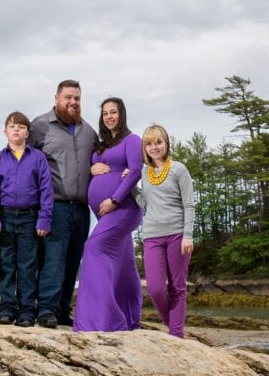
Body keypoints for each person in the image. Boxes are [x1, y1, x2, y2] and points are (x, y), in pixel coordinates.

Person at [72, 97, 144, 332]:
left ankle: (100, 320)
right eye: (105, 113)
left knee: (93, 247)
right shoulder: (102, 144)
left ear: (121, 114)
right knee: (124, 265)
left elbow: (135, 171)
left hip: (123, 209)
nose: (109, 116)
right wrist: (91, 169)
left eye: (113, 112)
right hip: (104, 214)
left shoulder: (132, 140)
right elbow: (90, 169)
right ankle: (129, 318)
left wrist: (114, 200)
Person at [29, 79, 97, 328]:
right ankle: (46, 309)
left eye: (77, 98)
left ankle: (62, 309)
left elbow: (101, 158)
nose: (73, 102)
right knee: (53, 258)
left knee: (72, 259)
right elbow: (25, 162)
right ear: (57, 98)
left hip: (81, 207)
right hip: (53, 205)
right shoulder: (39, 126)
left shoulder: (88, 131)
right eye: (68, 97)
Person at [0, 112, 54, 328]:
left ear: (27, 132)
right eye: (12, 126)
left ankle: (26, 311)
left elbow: (46, 190)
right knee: (5, 264)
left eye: (21, 127)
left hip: (30, 217)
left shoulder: (37, 158)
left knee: (27, 265)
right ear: (5, 131)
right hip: (4, 217)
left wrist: (44, 218)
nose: (17, 130)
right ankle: (5, 308)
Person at [134, 124, 195, 338]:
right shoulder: (143, 171)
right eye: (149, 144)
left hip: (178, 234)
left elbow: (189, 204)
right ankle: (173, 327)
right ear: (145, 148)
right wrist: (131, 187)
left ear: (166, 143)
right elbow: (145, 203)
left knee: (177, 288)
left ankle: (176, 336)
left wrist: (188, 235)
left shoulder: (179, 169)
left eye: (158, 142)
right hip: (152, 236)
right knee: (156, 289)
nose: (155, 147)